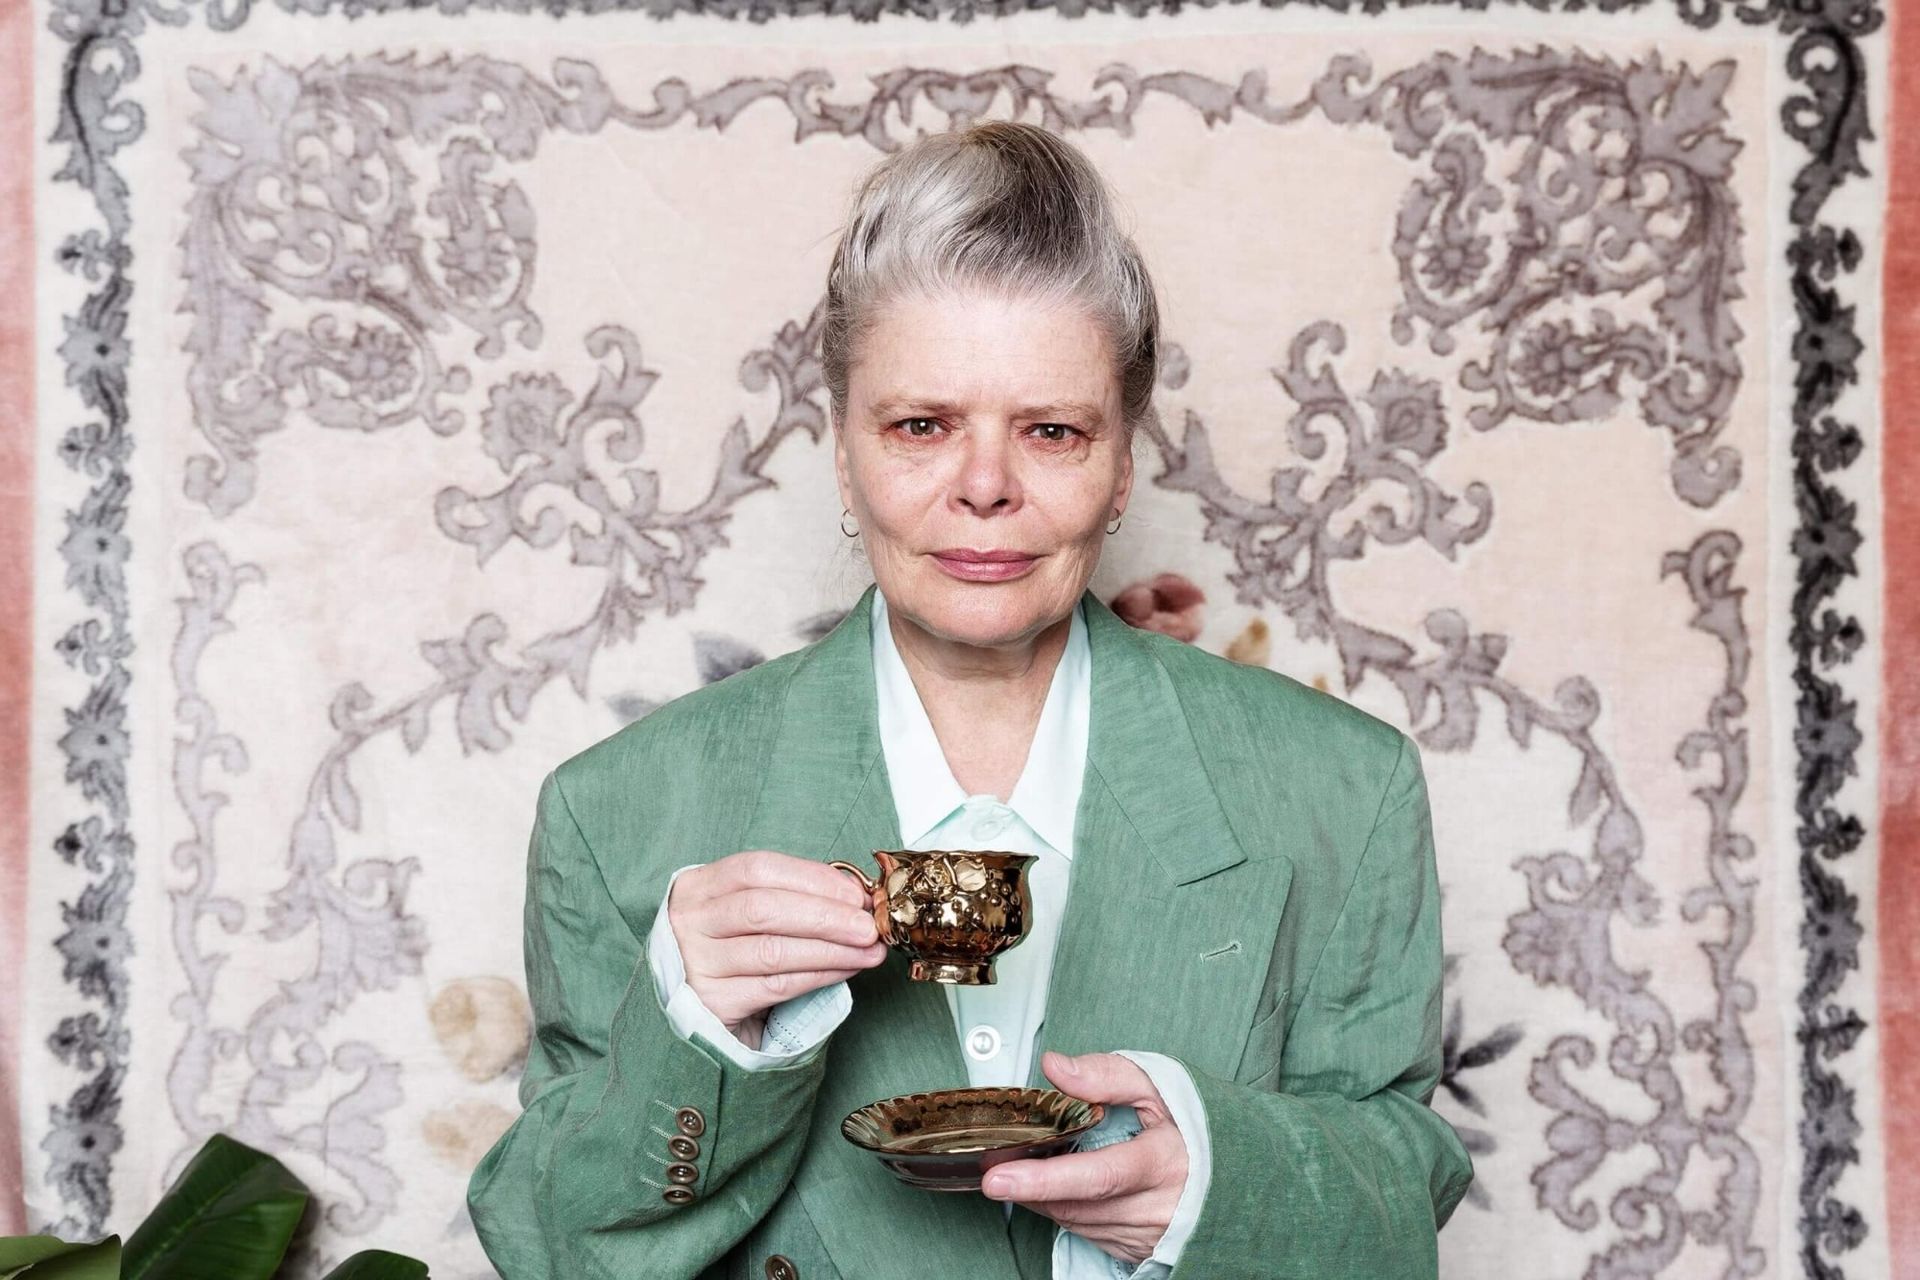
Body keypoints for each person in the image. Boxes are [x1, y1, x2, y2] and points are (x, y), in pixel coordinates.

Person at [467, 120, 1473, 1280]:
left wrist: (1222, 1185)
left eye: (1052, 430)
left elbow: (1403, 1182)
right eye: (921, 425)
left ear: (1123, 464)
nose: (986, 486)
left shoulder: (1346, 789)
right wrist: (698, 1038)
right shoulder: (617, 811)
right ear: (844, 453)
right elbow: (547, 1243)